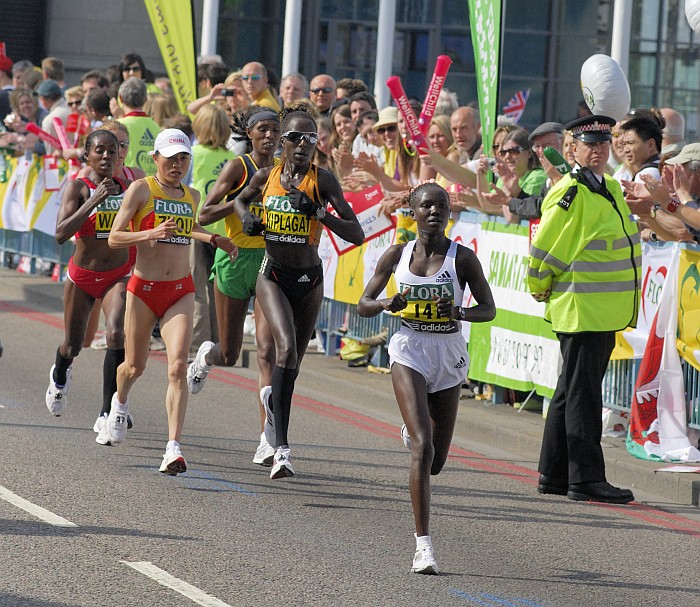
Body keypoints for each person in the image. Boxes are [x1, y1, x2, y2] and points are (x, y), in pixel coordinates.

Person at [357, 181, 495, 574]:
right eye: (427, 206)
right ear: (412, 212)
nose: (434, 212)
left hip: (448, 354)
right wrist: (387, 302)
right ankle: (424, 547)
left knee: (435, 461)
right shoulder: (397, 255)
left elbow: (489, 308)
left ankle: (414, 430)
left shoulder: (462, 259)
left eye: (442, 206)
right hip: (409, 350)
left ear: (450, 212)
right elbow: (364, 304)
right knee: (422, 446)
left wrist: (461, 313)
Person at [233, 105, 364, 479]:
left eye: (311, 138)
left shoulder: (324, 182)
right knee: (285, 350)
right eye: (296, 137)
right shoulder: (266, 175)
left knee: (292, 368)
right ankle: (282, 451)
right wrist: (248, 218)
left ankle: (273, 398)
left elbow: (356, 234)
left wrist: (319, 213)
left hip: (310, 280)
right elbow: (242, 200)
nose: (304, 144)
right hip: (272, 275)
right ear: (281, 142)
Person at [106, 128, 237, 474]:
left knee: (178, 366)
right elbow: (115, 237)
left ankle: (173, 448)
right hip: (144, 290)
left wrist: (213, 238)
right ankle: (119, 403)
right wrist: (149, 232)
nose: (177, 165)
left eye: (183, 158)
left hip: (180, 289)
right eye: (171, 158)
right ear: (156, 158)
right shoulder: (140, 189)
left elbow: (185, 227)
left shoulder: (192, 194)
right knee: (134, 367)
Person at [527, 114, 640, 504]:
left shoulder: (607, 186)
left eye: (603, 144)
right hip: (582, 309)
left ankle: (555, 473)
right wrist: (538, 284)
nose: (598, 150)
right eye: (589, 144)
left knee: (569, 390)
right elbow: (545, 245)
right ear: (571, 149)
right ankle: (586, 478)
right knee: (584, 396)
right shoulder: (570, 191)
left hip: (599, 308)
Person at [191, 106, 281, 466]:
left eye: (276, 130)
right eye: (262, 129)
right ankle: (204, 357)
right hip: (232, 260)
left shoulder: (284, 172)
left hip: (267, 262)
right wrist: (240, 203)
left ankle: (267, 439)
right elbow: (204, 214)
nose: (269, 136)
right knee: (228, 354)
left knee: (266, 352)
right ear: (249, 132)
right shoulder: (237, 167)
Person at [44, 131, 132, 428]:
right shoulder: (78, 188)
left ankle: (108, 412)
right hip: (83, 277)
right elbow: (60, 235)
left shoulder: (129, 188)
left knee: (116, 334)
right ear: (88, 156)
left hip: (117, 275)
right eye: (100, 151)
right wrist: (94, 200)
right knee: (73, 345)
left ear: (120, 155)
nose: (107, 156)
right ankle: (59, 375)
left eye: (112, 150)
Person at [117, 77, 161, 176]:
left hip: (126, 184)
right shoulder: (158, 128)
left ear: (120, 98)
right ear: (146, 99)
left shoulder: (116, 127)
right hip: (154, 186)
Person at [37, 79, 70, 154]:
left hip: (63, 163)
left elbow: (51, 153)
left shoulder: (49, 121)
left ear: (44, 99)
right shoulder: (73, 108)